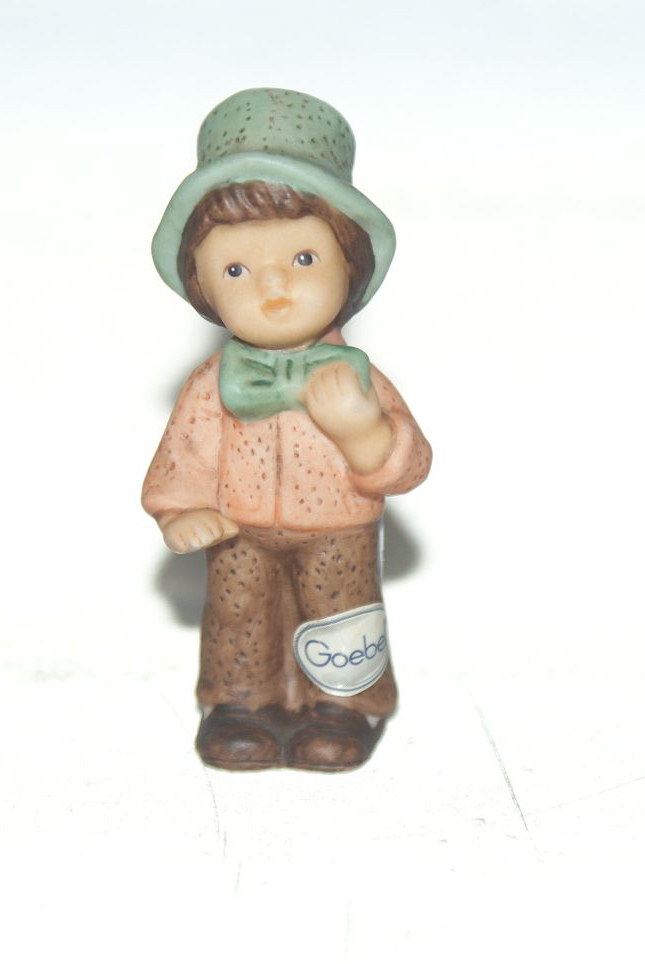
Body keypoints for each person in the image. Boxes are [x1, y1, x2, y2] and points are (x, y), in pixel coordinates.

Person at [143, 88, 431, 771]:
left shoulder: (356, 378)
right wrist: (180, 510)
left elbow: (412, 463)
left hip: (337, 528)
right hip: (237, 527)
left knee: (340, 610)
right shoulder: (212, 383)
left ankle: (343, 707)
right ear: (204, 287)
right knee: (237, 614)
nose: (272, 289)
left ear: (348, 265)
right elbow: (183, 454)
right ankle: (241, 705)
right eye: (236, 270)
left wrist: (362, 433)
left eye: (302, 260)